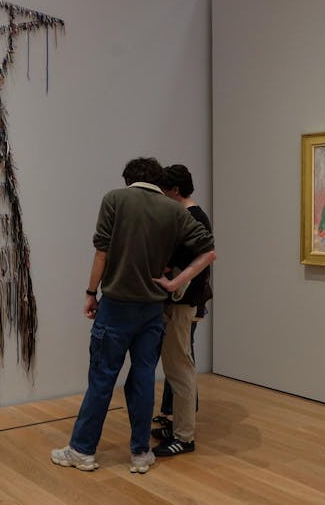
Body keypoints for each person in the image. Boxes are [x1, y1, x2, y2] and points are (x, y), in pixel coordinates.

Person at [50, 157, 216, 474]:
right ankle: (141, 453)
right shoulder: (173, 209)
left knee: (101, 379)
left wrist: (90, 292)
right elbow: (209, 251)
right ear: (158, 180)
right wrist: (176, 282)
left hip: (116, 306)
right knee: (141, 381)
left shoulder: (115, 199)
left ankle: (82, 450)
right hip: (153, 310)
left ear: (129, 180)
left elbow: (102, 250)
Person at [151, 164, 213, 457]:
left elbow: (204, 259)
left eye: (163, 189)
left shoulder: (192, 218)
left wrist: (173, 282)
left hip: (181, 305)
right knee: (177, 365)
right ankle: (177, 426)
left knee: (180, 367)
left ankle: (184, 436)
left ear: (173, 190)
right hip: (180, 303)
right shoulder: (190, 215)